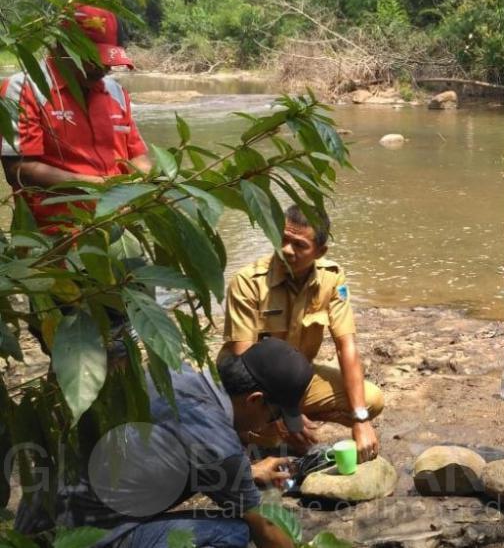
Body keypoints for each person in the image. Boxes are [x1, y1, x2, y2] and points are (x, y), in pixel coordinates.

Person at [14, 337, 311, 548]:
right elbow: (267, 529)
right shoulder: (217, 443)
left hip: (34, 523)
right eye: (273, 417)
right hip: (79, 539)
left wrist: (249, 472)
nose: (269, 426)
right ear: (255, 400)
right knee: (233, 532)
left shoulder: (171, 371)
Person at [221, 204, 384, 461]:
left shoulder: (332, 279)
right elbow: (245, 361)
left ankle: (289, 425)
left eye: (299, 245)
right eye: (283, 239)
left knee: (371, 401)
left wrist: (360, 420)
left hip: (295, 381)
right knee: (262, 432)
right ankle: (260, 431)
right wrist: (283, 417)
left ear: (320, 252)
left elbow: (346, 346)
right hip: (253, 392)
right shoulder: (247, 282)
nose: (287, 250)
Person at [0, 4, 151, 230]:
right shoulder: (25, 88)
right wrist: (98, 186)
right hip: (54, 239)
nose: (103, 68)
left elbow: (138, 156)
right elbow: (19, 170)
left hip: (120, 228)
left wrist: (141, 186)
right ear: (61, 47)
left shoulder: (116, 92)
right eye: (92, 58)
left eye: (107, 60)